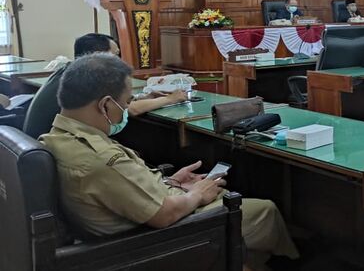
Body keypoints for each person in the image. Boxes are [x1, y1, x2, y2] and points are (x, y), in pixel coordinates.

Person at [39, 53, 298, 270]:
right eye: (126, 103)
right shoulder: (101, 159)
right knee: (264, 209)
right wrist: (196, 195)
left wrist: (171, 181)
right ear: (105, 105)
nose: (127, 110)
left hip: (142, 212)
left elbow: (119, 190)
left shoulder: (57, 137)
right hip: (157, 240)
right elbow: (164, 215)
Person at [26, 33, 189, 137]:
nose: (119, 59)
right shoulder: (87, 78)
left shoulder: (70, 73)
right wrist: (170, 99)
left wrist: (140, 97)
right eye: (115, 55)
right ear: (98, 56)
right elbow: (126, 110)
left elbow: (114, 103)